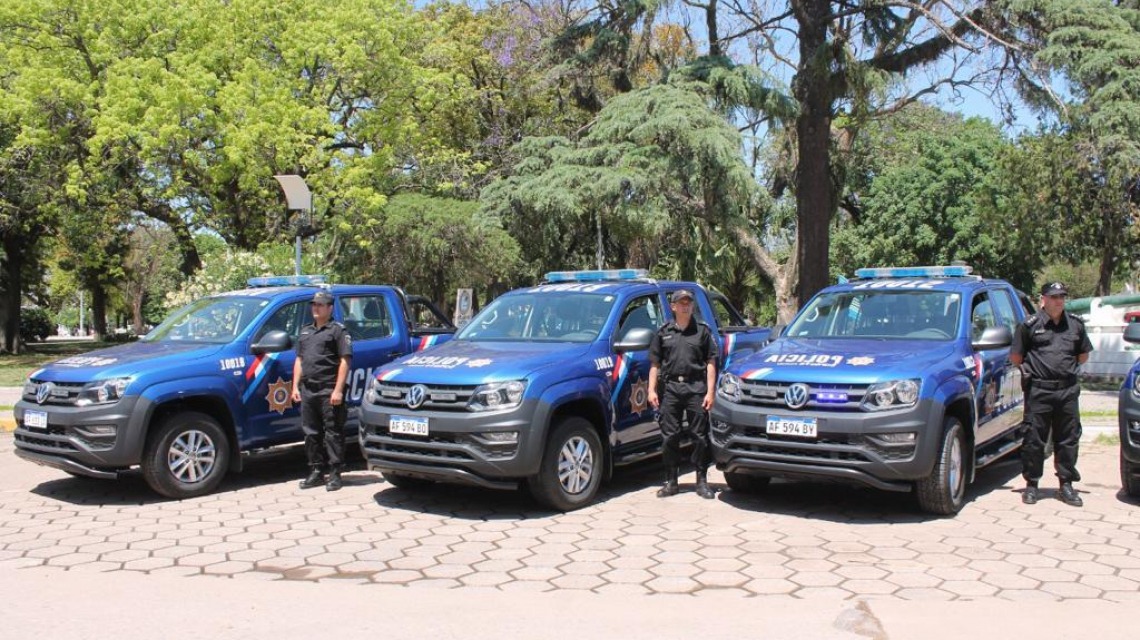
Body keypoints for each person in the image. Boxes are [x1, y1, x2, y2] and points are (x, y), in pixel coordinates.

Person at [1011, 281, 1093, 507]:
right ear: (1043, 300)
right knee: (1034, 439)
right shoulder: (1029, 325)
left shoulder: (1075, 325)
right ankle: (1032, 485)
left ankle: (1066, 484)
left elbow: (1083, 354)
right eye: (1054, 297)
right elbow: (1016, 357)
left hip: (1067, 390)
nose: (1059, 301)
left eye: (1062, 297)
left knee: (1068, 438)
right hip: (1039, 390)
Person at [648, 290, 719, 499]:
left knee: (699, 436)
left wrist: (711, 392)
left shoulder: (702, 332)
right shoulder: (663, 332)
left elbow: (711, 362)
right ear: (673, 307)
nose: (685, 306)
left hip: (696, 387)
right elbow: (655, 364)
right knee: (670, 436)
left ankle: (701, 480)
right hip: (670, 389)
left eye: (688, 302)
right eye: (681, 303)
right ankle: (671, 481)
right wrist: (652, 390)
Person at [291, 290, 353, 491]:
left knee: (333, 433)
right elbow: (299, 360)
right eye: (314, 305)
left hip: (328, 389)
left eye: (320, 305)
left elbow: (345, 361)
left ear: (330, 308)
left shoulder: (337, 331)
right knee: (311, 433)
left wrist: (338, 390)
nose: (315, 308)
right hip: (308, 390)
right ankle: (316, 471)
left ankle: (335, 473)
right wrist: (295, 387)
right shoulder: (305, 331)